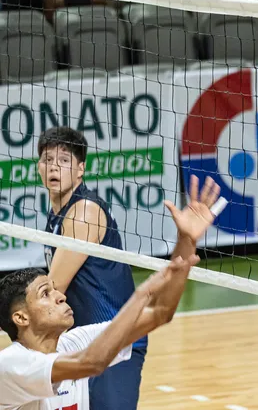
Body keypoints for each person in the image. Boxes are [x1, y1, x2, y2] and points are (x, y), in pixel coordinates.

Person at [0, 175, 225, 410]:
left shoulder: (73, 343)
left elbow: (160, 312)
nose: (61, 296)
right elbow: (92, 362)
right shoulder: (12, 365)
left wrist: (186, 240)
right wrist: (142, 293)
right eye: (46, 294)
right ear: (21, 318)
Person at [38, 127, 144, 410]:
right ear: (38, 168)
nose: (54, 167)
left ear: (81, 169)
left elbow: (54, 289)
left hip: (113, 340)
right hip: (81, 343)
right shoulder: (56, 214)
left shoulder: (84, 212)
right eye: (47, 160)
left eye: (64, 160)